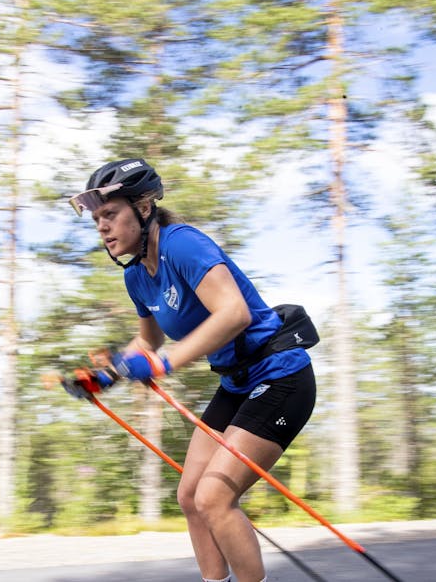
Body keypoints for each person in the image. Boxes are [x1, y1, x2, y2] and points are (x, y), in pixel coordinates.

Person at [65, 157, 317, 582]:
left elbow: (233, 313)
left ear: (143, 209)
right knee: (190, 496)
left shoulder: (182, 244)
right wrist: (105, 377)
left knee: (215, 496)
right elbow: (148, 342)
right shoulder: (137, 277)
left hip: (280, 375)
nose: (102, 227)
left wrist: (161, 365)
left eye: (110, 214)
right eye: (96, 219)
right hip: (238, 383)